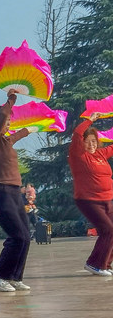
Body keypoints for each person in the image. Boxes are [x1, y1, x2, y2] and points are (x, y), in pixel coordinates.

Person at [0, 92, 33, 292]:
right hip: (0, 192)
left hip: (13, 192)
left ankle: (15, 277)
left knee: (26, 236)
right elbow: (2, 117)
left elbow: (14, 137)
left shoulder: (4, 141)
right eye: (6, 121)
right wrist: (11, 99)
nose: (9, 124)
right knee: (17, 236)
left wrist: (28, 130)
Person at [68, 113, 113, 276]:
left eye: (94, 141)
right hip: (88, 200)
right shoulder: (78, 155)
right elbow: (77, 133)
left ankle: (106, 264)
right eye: (88, 141)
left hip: (107, 200)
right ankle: (95, 264)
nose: (91, 144)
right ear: (82, 143)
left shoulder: (101, 154)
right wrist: (90, 120)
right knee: (108, 230)